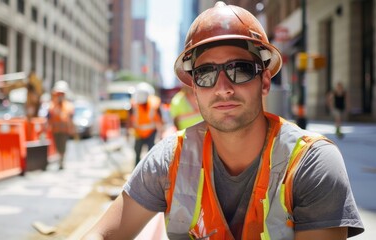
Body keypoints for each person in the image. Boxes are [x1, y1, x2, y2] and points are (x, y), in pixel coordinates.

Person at [83, 2, 364, 239]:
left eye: (239, 70)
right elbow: (104, 233)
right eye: (206, 74)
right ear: (194, 89)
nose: (223, 88)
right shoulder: (170, 160)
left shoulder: (311, 164)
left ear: (265, 81)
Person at [128, 82, 163, 166]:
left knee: (151, 153)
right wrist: (128, 131)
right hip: (138, 133)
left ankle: (150, 169)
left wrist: (161, 132)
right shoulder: (134, 105)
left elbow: (159, 119)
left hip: (151, 132)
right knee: (137, 152)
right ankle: (136, 170)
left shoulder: (154, 104)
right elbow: (129, 118)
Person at [46, 80, 74, 170]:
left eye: (61, 94)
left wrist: (72, 128)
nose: (60, 96)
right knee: (57, 146)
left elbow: (71, 117)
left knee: (63, 146)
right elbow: (49, 117)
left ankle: (61, 161)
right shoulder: (52, 105)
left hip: (64, 131)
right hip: (55, 130)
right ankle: (60, 159)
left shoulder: (68, 105)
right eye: (58, 94)